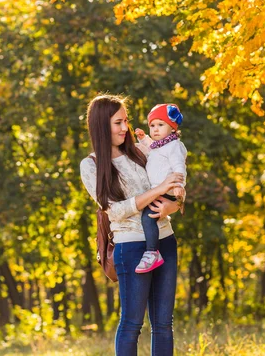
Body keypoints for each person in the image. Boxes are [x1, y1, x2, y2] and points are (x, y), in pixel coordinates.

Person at [79, 94, 184, 356]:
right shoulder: (91, 165)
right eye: (118, 122)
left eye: (126, 120)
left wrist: (175, 204)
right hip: (131, 248)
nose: (125, 128)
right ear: (102, 125)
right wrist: (157, 190)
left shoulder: (141, 152)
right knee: (132, 324)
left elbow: (176, 178)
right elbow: (114, 211)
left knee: (163, 325)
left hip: (165, 240)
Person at [133, 103, 187, 274]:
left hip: (168, 189)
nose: (155, 129)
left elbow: (179, 167)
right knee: (149, 216)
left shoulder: (174, 146)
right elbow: (151, 147)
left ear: (172, 128)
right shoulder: (160, 145)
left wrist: (179, 186)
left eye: (160, 125)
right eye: (152, 126)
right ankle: (151, 251)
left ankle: (152, 252)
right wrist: (142, 138)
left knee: (148, 217)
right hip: (158, 189)